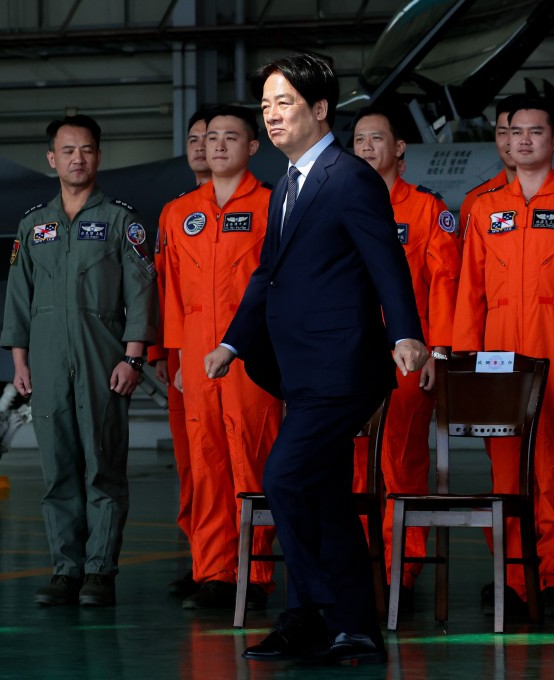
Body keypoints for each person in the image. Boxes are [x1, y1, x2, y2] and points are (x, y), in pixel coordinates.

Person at [203, 54, 427, 664]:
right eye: (267, 106)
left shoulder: (349, 177)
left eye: (286, 104)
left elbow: (388, 261)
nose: (272, 117)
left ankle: (312, 614)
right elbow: (268, 276)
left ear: (321, 109)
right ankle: (351, 625)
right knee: (322, 496)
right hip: (300, 371)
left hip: (343, 366)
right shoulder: (288, 189)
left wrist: (405, 332)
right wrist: (232, 342)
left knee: (284, 478)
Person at [453, 97, 554, 616]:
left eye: (536, 132)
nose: (524, 140)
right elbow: (468, 292)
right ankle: (514, 583)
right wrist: (466, 361)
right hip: (498, 355)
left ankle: (551, 583)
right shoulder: (483, 208)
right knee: (505, 476)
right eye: (516, 132)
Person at [1, 114, 157, 607]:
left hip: (101, 358)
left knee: (102, 466)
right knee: (58, 468)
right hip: (46, 360)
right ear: (52, 159)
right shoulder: (33, 226)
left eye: (86, 150)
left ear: (99, 157)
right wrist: (20, 363)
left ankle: (99, 572)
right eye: (68, 151)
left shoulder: (121, 222)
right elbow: (18, 299)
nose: (77, 158)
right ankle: (66, 569)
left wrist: (133, 358)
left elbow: (141, 292)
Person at [159, 105, 283, 610]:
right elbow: (170, 292)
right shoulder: (178, 213)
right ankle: (213, 572)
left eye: (231, 138)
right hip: (195, 354)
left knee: (253, 462)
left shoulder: (275, 206)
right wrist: (178, 359)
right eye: (210, 138)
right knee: (207, 465)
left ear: (253, 147)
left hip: (253, 356)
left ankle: (253, 575)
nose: (218, 146)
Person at [351, 107, 461, 608]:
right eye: (358, 140)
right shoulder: (337, 206)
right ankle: (360, 566)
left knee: (400, 460)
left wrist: (437, 349)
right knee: (352, 464)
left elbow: (444, 285)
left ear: (399, 149)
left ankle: (402, 569)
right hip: (349, 357)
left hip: (407, 358)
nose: (367, 147)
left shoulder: (424, 211)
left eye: (377, 138)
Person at [148, 108, 209, 599]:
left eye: (210, 137)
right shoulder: (173, 214)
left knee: (236, 465)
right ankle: (204, 563)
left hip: (232, 358)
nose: (201, 146)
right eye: (193, 138)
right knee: (192, 468)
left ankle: (241, 569)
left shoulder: (265, 205)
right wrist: (163, 353)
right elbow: (162, 289)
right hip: (182, 358)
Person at [457, 94, 526, 241]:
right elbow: (468, 262)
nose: (510, 141)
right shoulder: (475, 201)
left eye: (517, 132)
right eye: (502, 133)